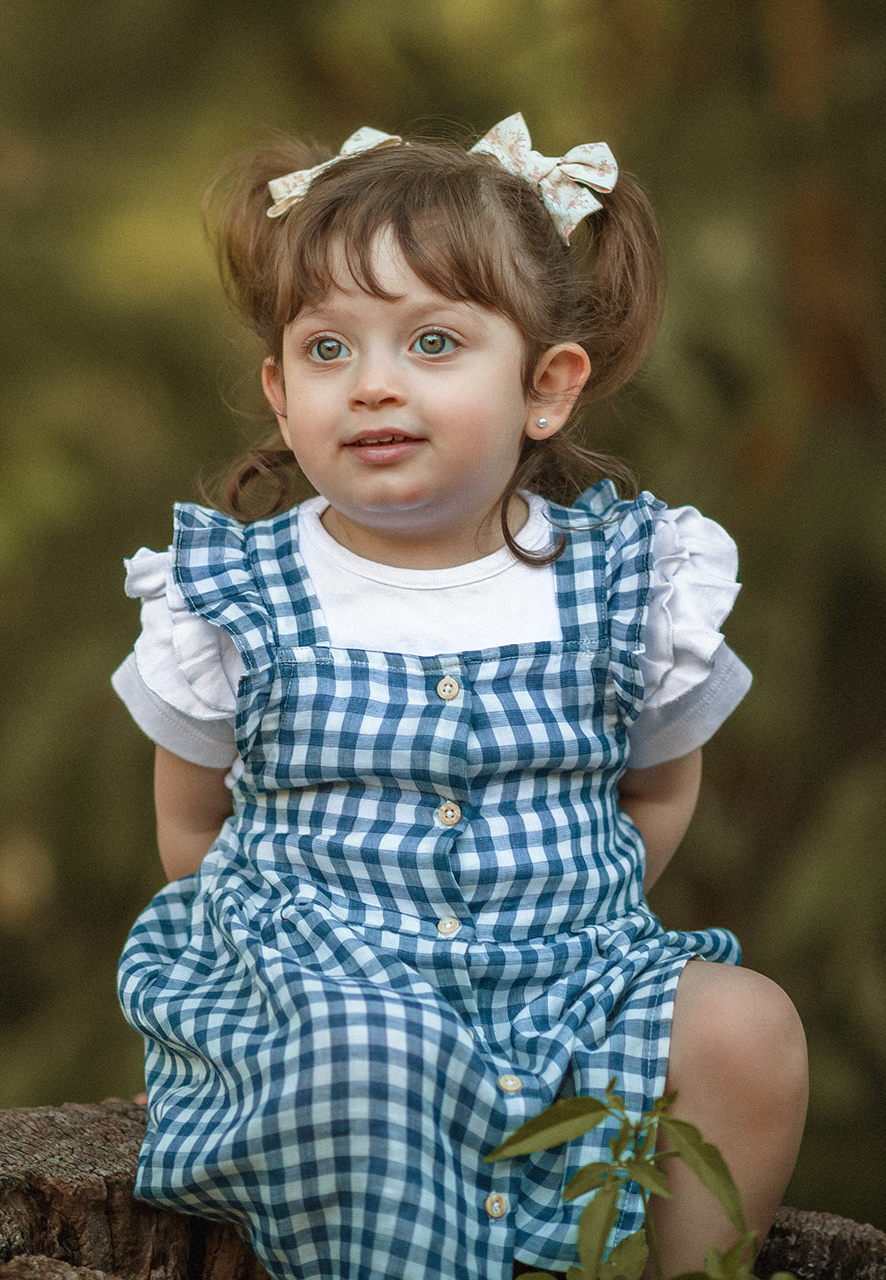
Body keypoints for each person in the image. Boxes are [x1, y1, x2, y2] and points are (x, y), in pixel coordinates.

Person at [111, 113, 808, 1280]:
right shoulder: (235, 593)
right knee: (369, 1060)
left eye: (433, 342)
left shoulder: (628, 582)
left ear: (547, 386)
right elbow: (192, 826)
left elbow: (657, 788)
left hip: (568, 986)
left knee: (750, 1026)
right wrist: (272, 989)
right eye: (329, 350)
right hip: (324, 1001)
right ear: (280, 393)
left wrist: (545, 928)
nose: (374, 385)